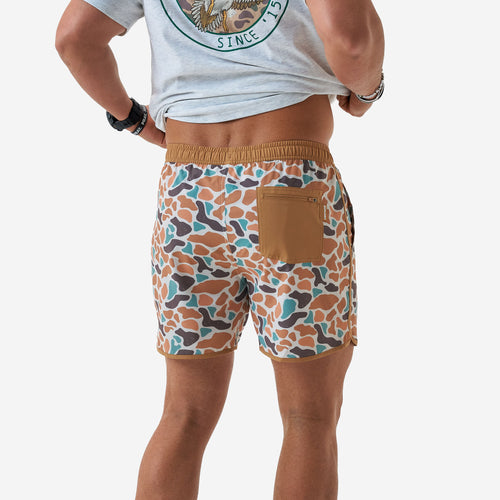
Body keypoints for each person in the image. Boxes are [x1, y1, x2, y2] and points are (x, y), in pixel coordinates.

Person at [55, 0, 384, 497]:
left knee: (184, 413)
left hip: (187, 191)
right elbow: (351, 39)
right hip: (285, 187)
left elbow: (74, 37)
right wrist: (367, 90)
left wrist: (134, 120)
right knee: (308, 415)